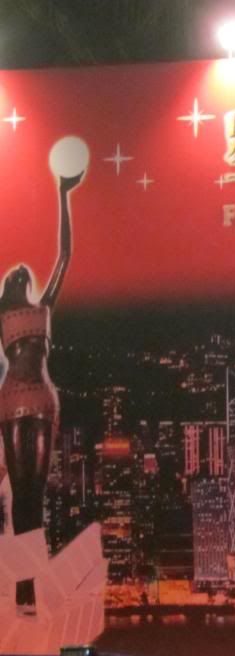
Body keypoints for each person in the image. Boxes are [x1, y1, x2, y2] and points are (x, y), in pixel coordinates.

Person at [0, 169, 84, 607]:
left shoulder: (45, 306)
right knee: (23, 498)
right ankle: (24, 587)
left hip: (42, 402)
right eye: (15, 274)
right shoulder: (2, 315)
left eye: (23, 274)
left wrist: (62, 194)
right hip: (14, 401)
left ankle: (30, 584)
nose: (21, 273)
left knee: (35, 496)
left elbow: (65, 254)